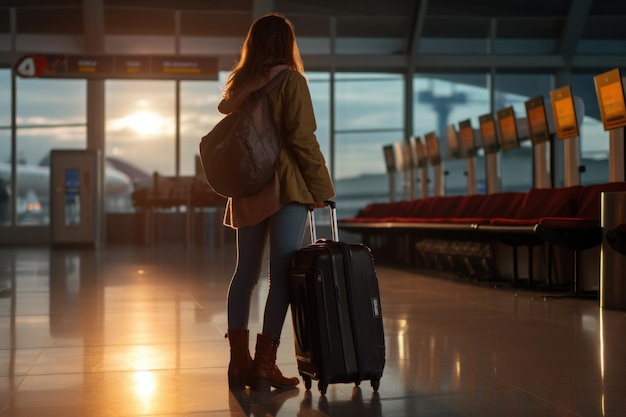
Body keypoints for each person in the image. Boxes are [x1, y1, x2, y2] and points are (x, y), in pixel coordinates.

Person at [218, 13, 335, 392]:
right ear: (287, 44)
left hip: (245, 187)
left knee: (244, 274)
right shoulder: (290, 81)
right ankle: (264, 365)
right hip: (283, 189)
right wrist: (322, 188)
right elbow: (302, 139)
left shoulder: (240, 85)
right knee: (281, 276)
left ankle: (239, 364)